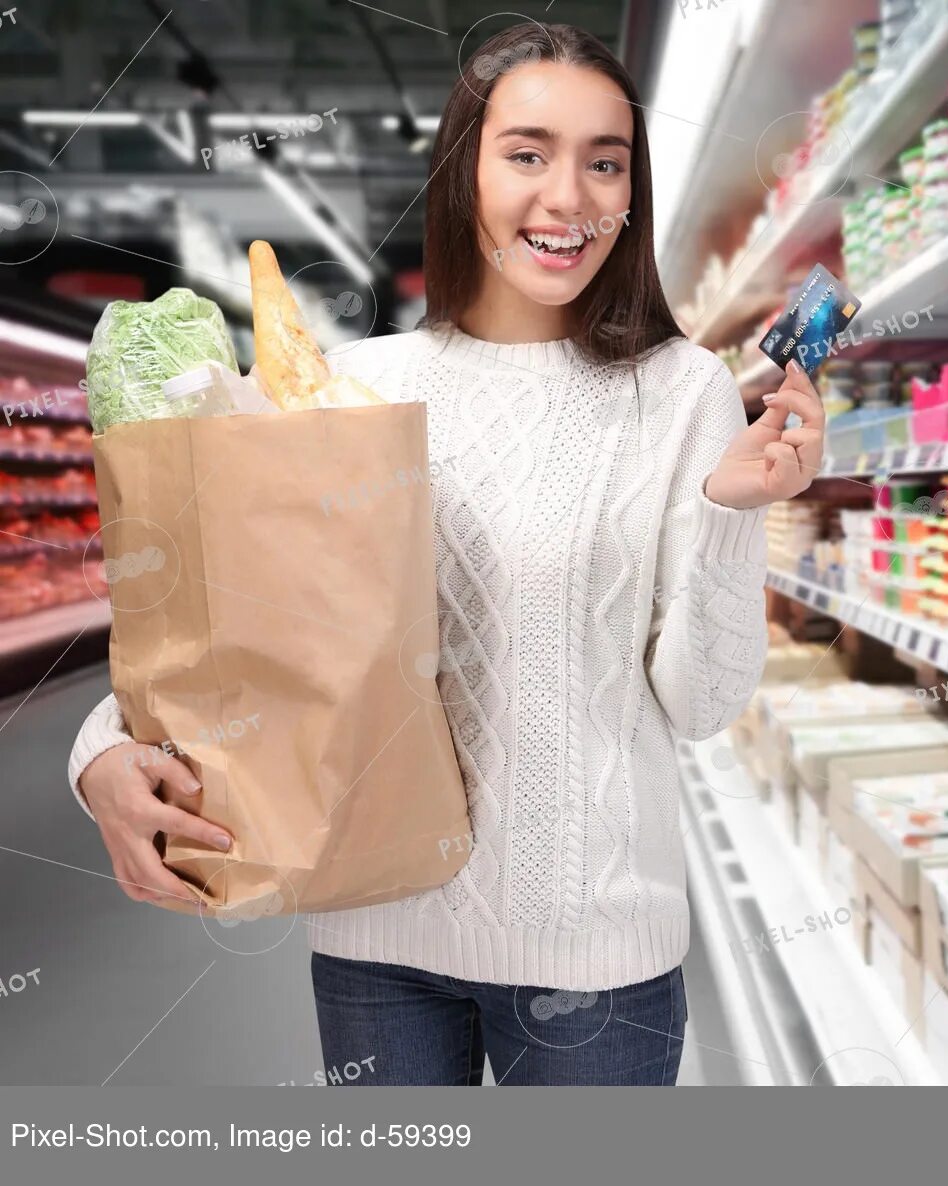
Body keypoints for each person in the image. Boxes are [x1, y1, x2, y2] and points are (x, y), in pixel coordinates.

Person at [65, 21, 823, 1086]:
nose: (569, 196)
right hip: (376, 931)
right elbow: (224, 614)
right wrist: (97, 753)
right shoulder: (345, 384)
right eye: (527, 153)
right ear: (463, 171)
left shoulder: (682, 390)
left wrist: (730, 511)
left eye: (605, 161)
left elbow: (700, 702)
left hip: (598, 958)